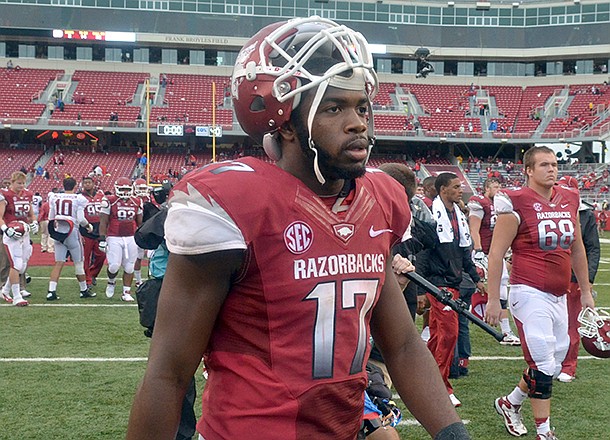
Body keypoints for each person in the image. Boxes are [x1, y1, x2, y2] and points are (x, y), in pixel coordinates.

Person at [127, 16, 469, 440]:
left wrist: (453, 433)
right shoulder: (235, 204)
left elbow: (400, 344)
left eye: (361, 106)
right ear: (285, 123)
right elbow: (169, 375)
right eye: (333, 108)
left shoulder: (377, 200)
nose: (358, 122)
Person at [485, 146, 595, 440]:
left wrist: (585, 290)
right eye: (544, 164)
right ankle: (544, 432)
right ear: (529, 171)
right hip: (528, 291)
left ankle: (510, 402)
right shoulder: (516, 201)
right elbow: (496, 255)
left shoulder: (569, 197)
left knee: (552, 362)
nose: (552, 169)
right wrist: (494, 299)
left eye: (555, 164)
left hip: (560, 294)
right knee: (545, 364)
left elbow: (577, 247)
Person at [417, 172, 484, 408]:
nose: (460, 190)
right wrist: (420, 288)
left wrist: (476, 278)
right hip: (438, 282)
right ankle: (442, 386)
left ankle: (423, 373)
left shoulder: (458, 216)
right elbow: (424, 252)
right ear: (443, 189)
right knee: (449, 334)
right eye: (456, 187)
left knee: (438, 335)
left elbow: (464, 251)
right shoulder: (433, 216)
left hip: (452, 282)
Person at [555, 176, 600, 383]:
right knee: (551, 323)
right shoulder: (547, 208)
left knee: (573, 324)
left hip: (573, 277)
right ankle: (553, 362)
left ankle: (569, 366)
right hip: (550, 275)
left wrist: (587, 280)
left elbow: (591, 248)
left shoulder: (585, 214)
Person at [467, 177, 520, 346]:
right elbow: (473, 229)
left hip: (497, 253)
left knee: (502, 288)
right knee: (469, 291)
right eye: (494, 187)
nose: (498, 190)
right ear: (486, 189)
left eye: (499, 186)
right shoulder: (479, 202)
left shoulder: (499, 205)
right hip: (484, 253)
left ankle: (506, 331)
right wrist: (478, 250)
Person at [46, 177, 96, 300]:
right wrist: (88, 226)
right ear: (75, 186)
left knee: (59, 263)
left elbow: (51, 217)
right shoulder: (79, 198)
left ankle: (51, 291)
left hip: (58, 232)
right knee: (79, 262)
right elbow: (80, 218)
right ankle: (84, 290)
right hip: (72, 232)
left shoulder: (54, 197)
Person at [98, 177, 143, 302]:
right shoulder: (109, 200)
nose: (124, 192)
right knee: (114, 266)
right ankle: (111, 281)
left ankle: (126, 292)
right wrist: (102, 238)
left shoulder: (136, 201)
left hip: (131, 237)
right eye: (122, 189)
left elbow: (140, 222)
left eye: (127, 189)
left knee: (129, 267)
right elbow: (103, 221)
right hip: (114, 236)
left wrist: (142, 238)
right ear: (117, 188)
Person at [0, 171, 38, 306]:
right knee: (15, 264)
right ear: (12, 182)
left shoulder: (28, 194)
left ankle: (5, 290)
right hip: (11, 233)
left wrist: (34, 222)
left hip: (24, 232)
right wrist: (6, 229)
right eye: (19, 183)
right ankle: (16, 296)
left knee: (22, 266)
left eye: (23, 183)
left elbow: (31, 214)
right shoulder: (5, 195)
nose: (22, 186)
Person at [79, 176, 106, 289]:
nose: (87, 185)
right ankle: (87, 281)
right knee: (85, 257)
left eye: (89, 182)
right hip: (86, 230)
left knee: (101, 255)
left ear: (93, 184)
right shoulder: (80, 197)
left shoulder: (101, 195)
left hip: (99, 229)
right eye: (85, 183)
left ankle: (93, 274)